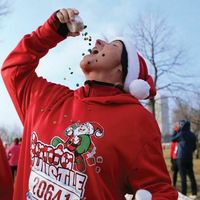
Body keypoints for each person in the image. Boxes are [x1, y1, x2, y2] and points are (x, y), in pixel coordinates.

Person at [1, 8, 178, 200]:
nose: (98, 42)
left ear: (123, 71)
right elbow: (14, 70)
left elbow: (159, 190)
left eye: (114, 45)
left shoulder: (137, 120)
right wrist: (50, 32)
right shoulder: (49, 97)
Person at [172, 120, 197, 198]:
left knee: (183, 177)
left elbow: (173, 139)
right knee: (191, 176)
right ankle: (194, 193)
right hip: (189, 158)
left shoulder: (181, 134)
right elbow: (194, 147)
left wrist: (176, 130)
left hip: (181, 158)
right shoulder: (193, 135)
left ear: (182, 126)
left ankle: (183, 194)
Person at [170, 122, 179, 187]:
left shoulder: (180, 136)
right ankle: (174, 185)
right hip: (174, 157)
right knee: (174, 172)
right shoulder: (174, 141)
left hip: (177, 157)